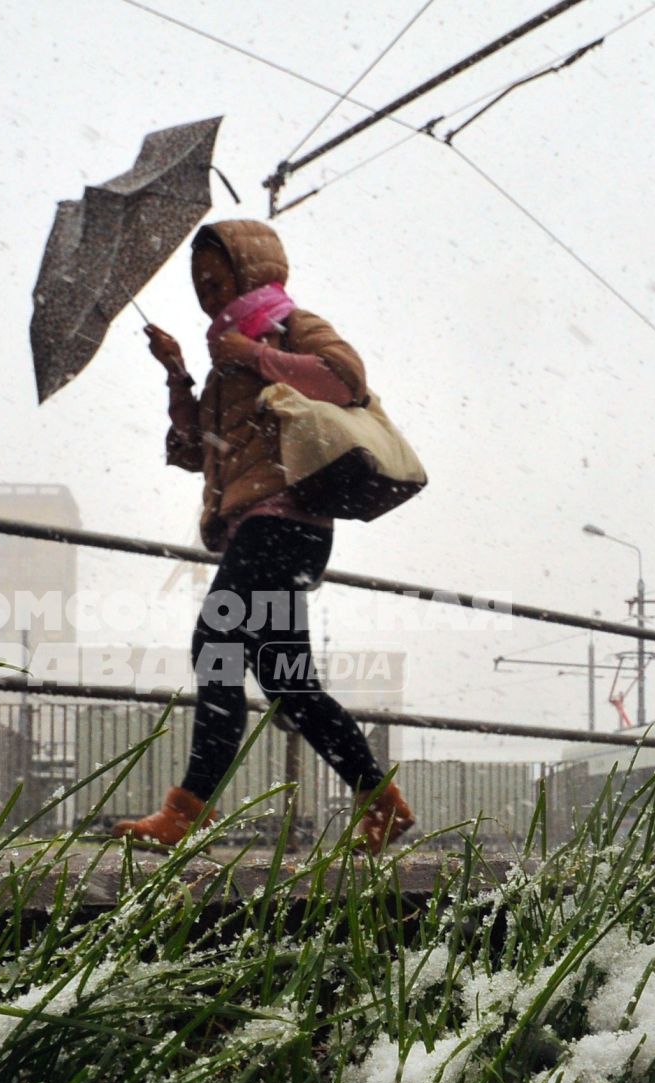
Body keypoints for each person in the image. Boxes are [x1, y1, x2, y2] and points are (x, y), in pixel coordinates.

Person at [112, 219, 414, 852]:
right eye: (199, 286)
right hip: (264, 529)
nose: (208, 295)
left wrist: (254, 355)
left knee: (215, 640)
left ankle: (189, 809)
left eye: (218, 280)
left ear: (250, 272)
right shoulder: (222, 359)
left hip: (287, 524)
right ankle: (381, 800)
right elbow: (199, 452)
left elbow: (345, 379)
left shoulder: (286, 325)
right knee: (285, 678)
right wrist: (178, 376)